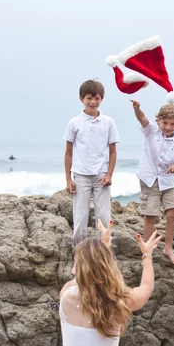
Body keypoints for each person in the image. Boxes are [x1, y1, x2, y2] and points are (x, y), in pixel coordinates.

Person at [49, 219, 163, 346]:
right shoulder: (118, 300)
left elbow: (83, 282)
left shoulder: (66, 294)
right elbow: (146, 287)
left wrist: (103, 246)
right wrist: (147, 255)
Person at [64, 80, 120, 247]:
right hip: (81, 175)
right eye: (89, 98)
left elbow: (113, 151)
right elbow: (68, 153)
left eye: (97, 98)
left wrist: (109, 174)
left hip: (102, 176)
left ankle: (104, 255)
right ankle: (79, 256)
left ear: (101, 99)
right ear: (81, 98)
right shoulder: (74, 123)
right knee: (80, 219)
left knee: (103, 219)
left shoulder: (109, 122)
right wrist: (68, 179)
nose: (93, 102)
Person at [130, 100, 174, 264]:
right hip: (149, 179)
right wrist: (138, 109)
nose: (168, 126)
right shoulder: (151, 132)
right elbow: (142, 119)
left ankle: (168, 247)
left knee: (173, 212)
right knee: (151, 215)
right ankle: (147, 249)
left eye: (172, 124)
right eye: (165, 122)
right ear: (159, 121)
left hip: (168, 181)